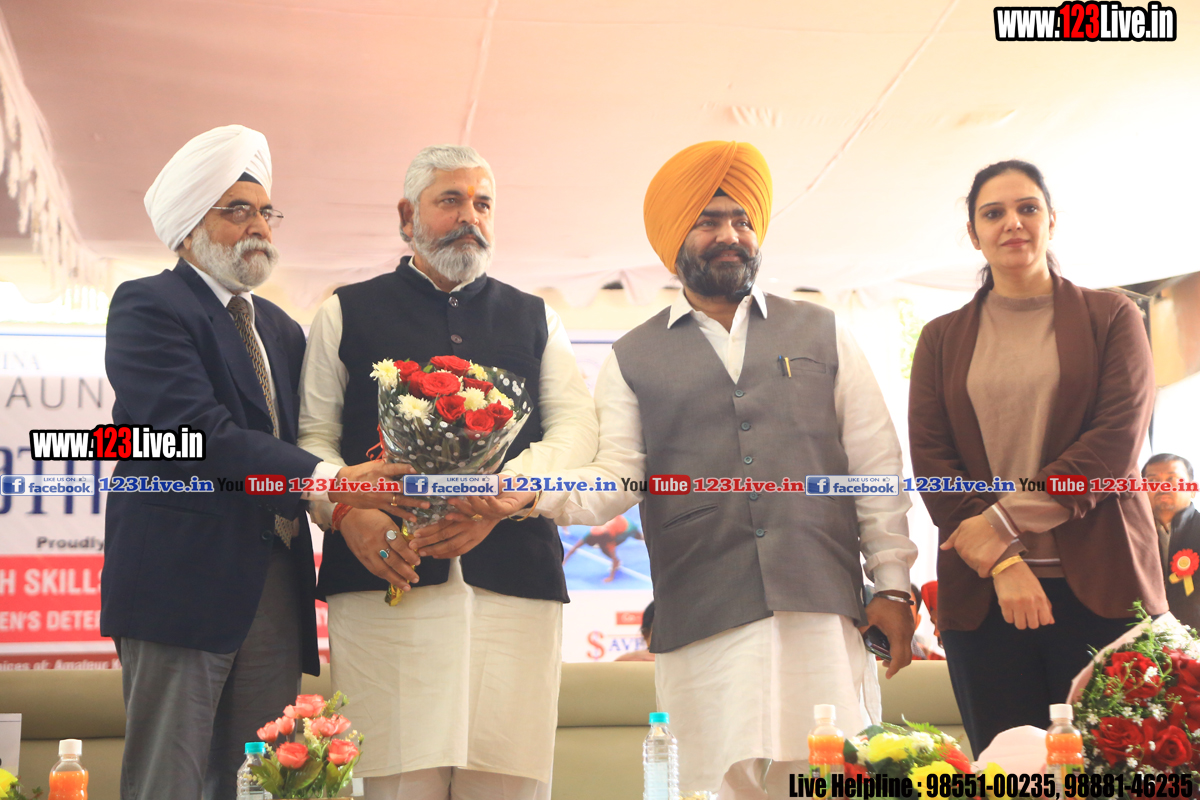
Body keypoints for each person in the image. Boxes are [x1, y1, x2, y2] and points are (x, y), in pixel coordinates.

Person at [446, 140, 917, 799]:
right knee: (712, 785)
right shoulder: (633, 356)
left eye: (742, 220)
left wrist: (893, 586)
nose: (730, 235)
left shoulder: (824, 331)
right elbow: (618, 474)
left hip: (820, 606)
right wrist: (529, 493)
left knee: (828, 778)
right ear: (675, 242)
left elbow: (875, 467)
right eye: (708, 221)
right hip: (703, 612)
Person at [102, 125, 412, 800]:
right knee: (170, 782)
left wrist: (355, 502)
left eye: (267, 212)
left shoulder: (279, 327)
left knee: (263, 783)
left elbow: (308, 438)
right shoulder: (149, 305)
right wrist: (333, 481)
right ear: (190, 227)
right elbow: (198, 434)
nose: (260, 227)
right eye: (237, 210)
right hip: (180, 581)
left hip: (274, 579)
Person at [298, 144, 598, 800]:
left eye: (483, 203)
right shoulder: (344, 311)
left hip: (514, 585)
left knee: (508, 779)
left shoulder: (535, 317)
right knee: (392, 780)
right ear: (407, 216)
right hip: (385, 583)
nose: (470, 217)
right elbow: (311, 439)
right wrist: (346, 510)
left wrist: (507, 492)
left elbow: (577, 429)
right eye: (450, 201)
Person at [908, 159, 1167, 755]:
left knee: (1114, 774)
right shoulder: (941, 338)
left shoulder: (1112, 316)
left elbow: (1113, 446)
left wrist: (1001, 522)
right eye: (993, 213)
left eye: (1027, 208)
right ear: (974, 234)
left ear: (1052, 221)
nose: (1013, 223)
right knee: (1011, 774)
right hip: (986, 598)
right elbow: (934, 463)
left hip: (1104, 586)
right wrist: (1003, 559)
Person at [1143, 454, 1200, 628]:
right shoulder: (1130, 535)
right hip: (1144, 635)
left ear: (1192, 490)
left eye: (1172, 479)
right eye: (1152, 481)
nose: (1162, 486)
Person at [562, 514, 644, 582]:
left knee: (606, 549)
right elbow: (575, 547)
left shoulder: (608, 538)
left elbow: (614, 558)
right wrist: (564, 560)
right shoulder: (591, 534)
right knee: (605, 548)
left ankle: (645, 537)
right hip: (619, 521)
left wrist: (611, 577)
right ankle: (643, 537)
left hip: (628, 528)